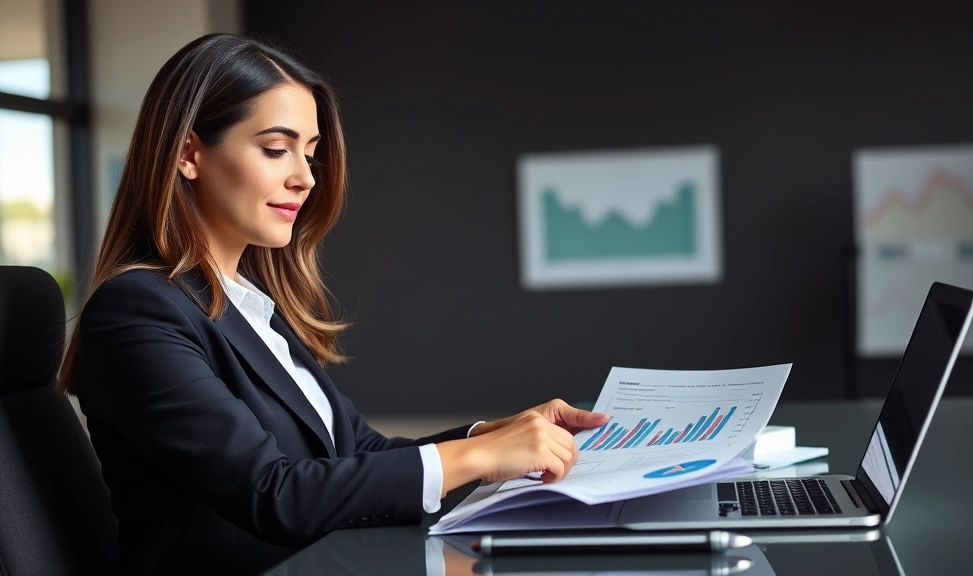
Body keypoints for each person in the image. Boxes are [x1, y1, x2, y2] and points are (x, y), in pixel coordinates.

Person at [58, 33, 609, 574]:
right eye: (276, 149)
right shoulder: (137, 308)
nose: (303, 177)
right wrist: (479, 459)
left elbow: (357, 452)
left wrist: (489, 437)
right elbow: (272, 492)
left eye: (310, 152)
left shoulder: (252, 305)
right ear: (188, 155)